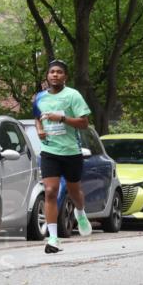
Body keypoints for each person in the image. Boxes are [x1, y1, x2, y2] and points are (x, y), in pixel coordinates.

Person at [33, 59, 92, 254]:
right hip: (50, 151)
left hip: (71, 151)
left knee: (75, 192)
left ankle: (80, 213)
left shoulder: (73, 96)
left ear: (64, 76)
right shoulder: (40, 97)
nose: (55, 75)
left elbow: (84, 123)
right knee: (50, 191)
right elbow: (37, 118)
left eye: (59, 72)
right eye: (52, 72)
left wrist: (63, 119)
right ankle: (53, 238)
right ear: (47, 76)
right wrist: (40, 129)